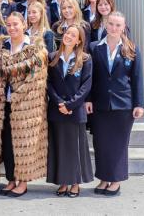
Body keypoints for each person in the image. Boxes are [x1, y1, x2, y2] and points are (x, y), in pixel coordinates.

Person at [0, 12, 48, 198]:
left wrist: (17, 95)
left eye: (16, 24)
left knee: (24, 145)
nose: (12, 28)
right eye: (9, 25)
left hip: (26, 106)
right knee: (6, 144)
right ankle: (11, 179)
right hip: (2, 104)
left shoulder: (35, 50)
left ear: (24, 25)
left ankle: (23, 182)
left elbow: (36, 80)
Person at [87, 11, 144, 196]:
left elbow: (137, 78)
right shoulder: (94, 47)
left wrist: (139, 104)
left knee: (118, 145)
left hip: (123, 106)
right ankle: (104, 179)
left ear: (123, 27)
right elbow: (90, 78)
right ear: (105, 25)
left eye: (118, 25)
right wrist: (88, 99)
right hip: (100, 104)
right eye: (111, 24)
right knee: (101, 144)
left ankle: (116, 180)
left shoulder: (131, 49)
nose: (113, 28)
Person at [46, 25, 93, 197]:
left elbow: (86, 86)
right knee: (59, 147)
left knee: (75, 148)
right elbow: (48, 83)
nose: (68, 36)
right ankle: (63, 182)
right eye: (67, 33)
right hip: (57, 110)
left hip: (75, 111)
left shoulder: (85, 59)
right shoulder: (52, 57)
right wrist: (59, 102)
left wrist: (70, 105)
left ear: (79, 40)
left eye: (73, 35)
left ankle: (75, 183)